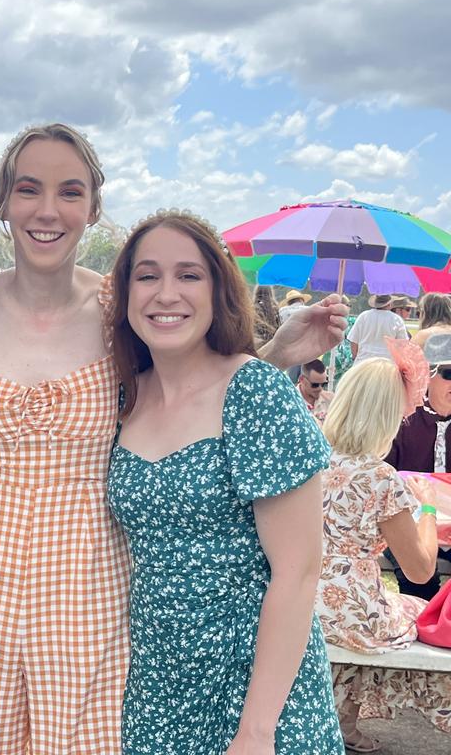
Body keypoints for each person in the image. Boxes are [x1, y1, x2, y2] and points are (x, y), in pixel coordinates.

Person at [0, 124, 131, 754]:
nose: (47, 210)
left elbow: (198, 405)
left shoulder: (127, 313)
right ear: (4, 204)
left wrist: (282, 354)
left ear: (93, 206)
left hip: (93, 582)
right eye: (28, 189)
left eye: (70, 192)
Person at [107, 211, 342, 753]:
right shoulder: (124, 399)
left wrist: (257, 732)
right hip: (156, 686)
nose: (167, 293)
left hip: (254, 688)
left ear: (218, 290)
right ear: (124, 294)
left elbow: (299, 573)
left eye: (189, 275)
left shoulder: (255, 393)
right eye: (147, 276)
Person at [315, 352, 449, 751]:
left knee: (381, 613)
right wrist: (425, 506)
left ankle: (341, 721)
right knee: (413, 610)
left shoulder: (312, 458)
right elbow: (422, 569)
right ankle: (347, 722)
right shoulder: (378, 477)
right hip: (350, 609)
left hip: (297, 598)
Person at [385, 332, 451, 599]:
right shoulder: (404, 418)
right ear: (428, 375)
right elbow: (384, 479)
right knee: (420, 581)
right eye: (449, 374)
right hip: (409, 521)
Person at [348, 293, 408, 364]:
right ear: (390, 304)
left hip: (363, 361)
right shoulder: (396, 319)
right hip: (387, 363)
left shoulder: (363, 316)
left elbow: (353, 341)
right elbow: (402, 345)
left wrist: (355, 358)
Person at [296, 358, 333, 423]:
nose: (320, 388)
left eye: (324, 384)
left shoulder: (331, 399)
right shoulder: (291, 401)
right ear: (302, 379)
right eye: (315, 385)